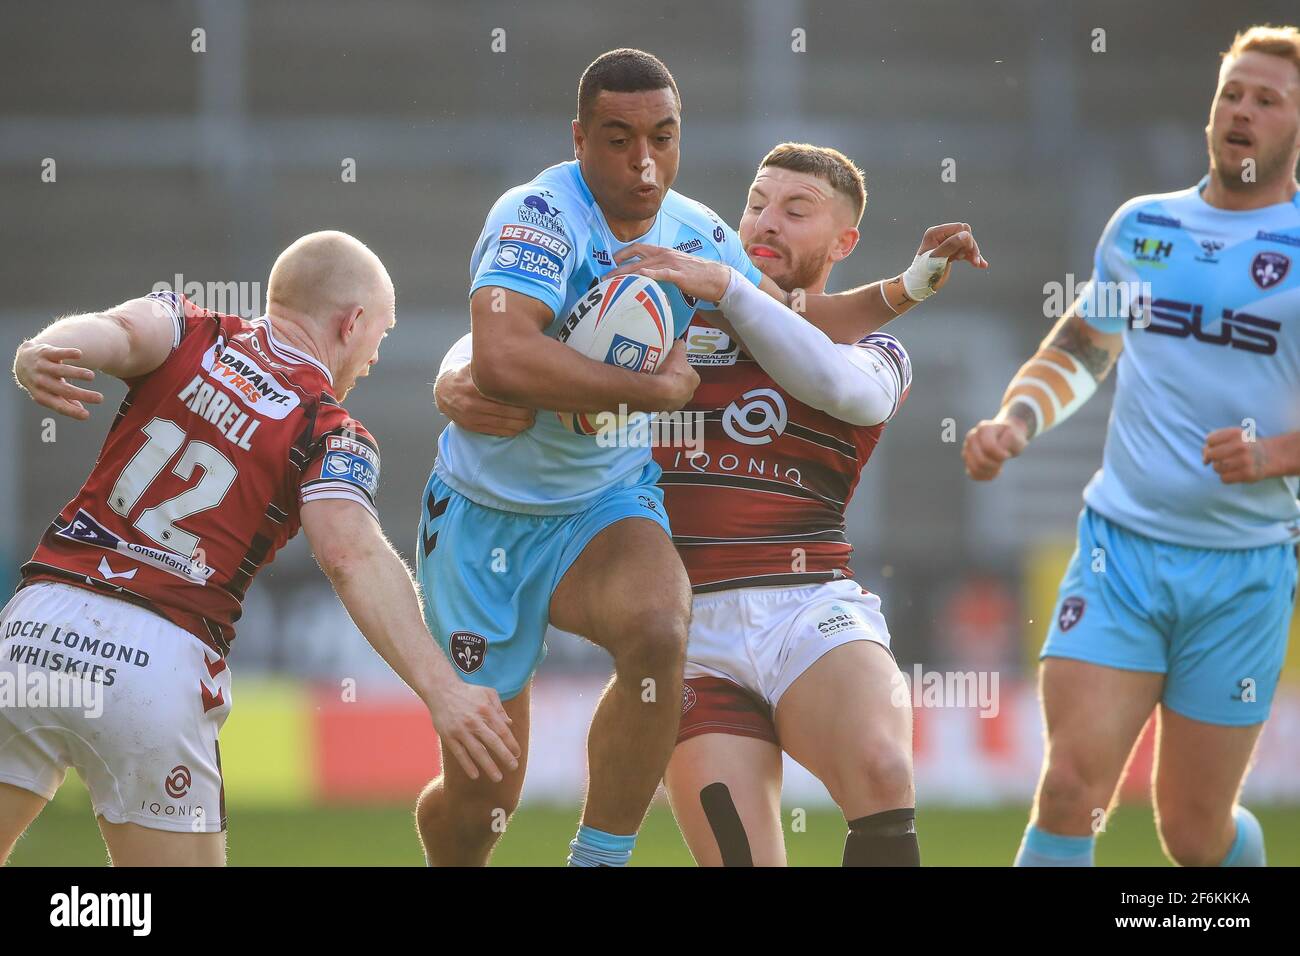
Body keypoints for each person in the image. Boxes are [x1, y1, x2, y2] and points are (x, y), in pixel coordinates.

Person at [415, 48, 959, 867]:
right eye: (759, 204)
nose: (644, 163)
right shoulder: (589, 248)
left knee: (674, 635)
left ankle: (598, 858)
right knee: (486, 793)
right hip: (498, 524)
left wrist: (906, 288)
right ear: (578, 139)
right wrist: (458, 372)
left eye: (663, 138)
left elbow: (815, 345)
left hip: (729, 569)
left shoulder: (777, 308)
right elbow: (509, 341)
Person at [0, 231, 517, 866]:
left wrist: (41, 351)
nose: (375, 356)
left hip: (34, 626)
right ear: (352, 323)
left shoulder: (188, 324)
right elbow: (352, 556)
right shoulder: (329, 428)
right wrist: (443, 689)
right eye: (378, 337)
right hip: (154, 654)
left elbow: (114, 332)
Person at [962, 25, 1300, 867]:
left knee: (1193, 834)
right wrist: (1016, 420)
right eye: (1232, 93)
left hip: (1244, 570)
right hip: (1121, 554)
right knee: (1071, 784)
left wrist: (1275, 455)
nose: (1242, 112)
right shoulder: (1145, 226)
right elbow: (1083, 346)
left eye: (1268, 99)